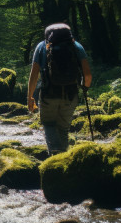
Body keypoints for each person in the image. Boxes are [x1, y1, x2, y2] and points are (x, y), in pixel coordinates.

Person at [26, 22, 92, 156]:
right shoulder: (76, 46)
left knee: (49, 125)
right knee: (63, 128)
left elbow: (34, 75)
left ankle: (55, 156)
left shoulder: (41, 47)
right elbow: (88, 75)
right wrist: (84, 88)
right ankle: (63, 158)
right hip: (70, 95)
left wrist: (30, 97)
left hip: (48, 94)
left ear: (47, 36)